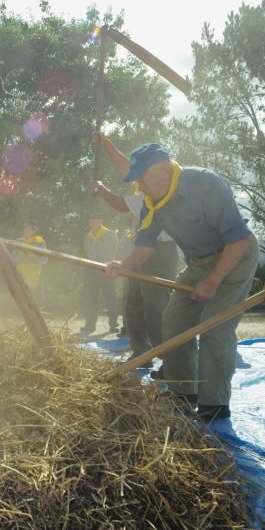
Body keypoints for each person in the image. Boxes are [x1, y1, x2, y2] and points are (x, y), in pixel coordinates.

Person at [104, 142, 259, 422]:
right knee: (174, 321)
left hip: (235, 256)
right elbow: (146, 245)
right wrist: (123, 266)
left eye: (142, 179)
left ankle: (215, 404)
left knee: (215, 327)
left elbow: (238, 239)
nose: (140, 187)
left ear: (163, 170)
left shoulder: (204, 184)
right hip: (198, 263)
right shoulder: (152, 203)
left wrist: (213, 279)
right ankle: (184, 391)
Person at [93, 133, 180, 366]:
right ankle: (141, 352)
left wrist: (100, 189)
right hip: (142, 248)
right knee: (132, 303)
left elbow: (120, 205)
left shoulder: (154, 193)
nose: (137, 181)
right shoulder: (147, 182)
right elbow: (125, 166)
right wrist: (106, 144)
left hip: (161, 251)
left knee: (155, 306)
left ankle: (168, 360)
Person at [81, 213, 119, 336]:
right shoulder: (88, 237)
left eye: (96, 220)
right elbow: (88, 254)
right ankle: (90, 325)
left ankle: (113, 325)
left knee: (110, 298)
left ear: (101, 221)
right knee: (91, 299)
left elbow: (116, 250)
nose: (93, 223)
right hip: (92, 272)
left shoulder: (110, 234)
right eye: (91, 221)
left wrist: (111, 266)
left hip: (107, 270)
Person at [13, 221, 48, 297]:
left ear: (34, 231)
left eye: (29, 229)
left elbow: (44, 259)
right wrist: (21, 260)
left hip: (35, 278)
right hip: (20, 276)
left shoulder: (40, 242)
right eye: (25, 229)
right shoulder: (18, 241)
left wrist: (32, 260)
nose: (26, 231)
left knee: (35, 300)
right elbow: (13, 258)